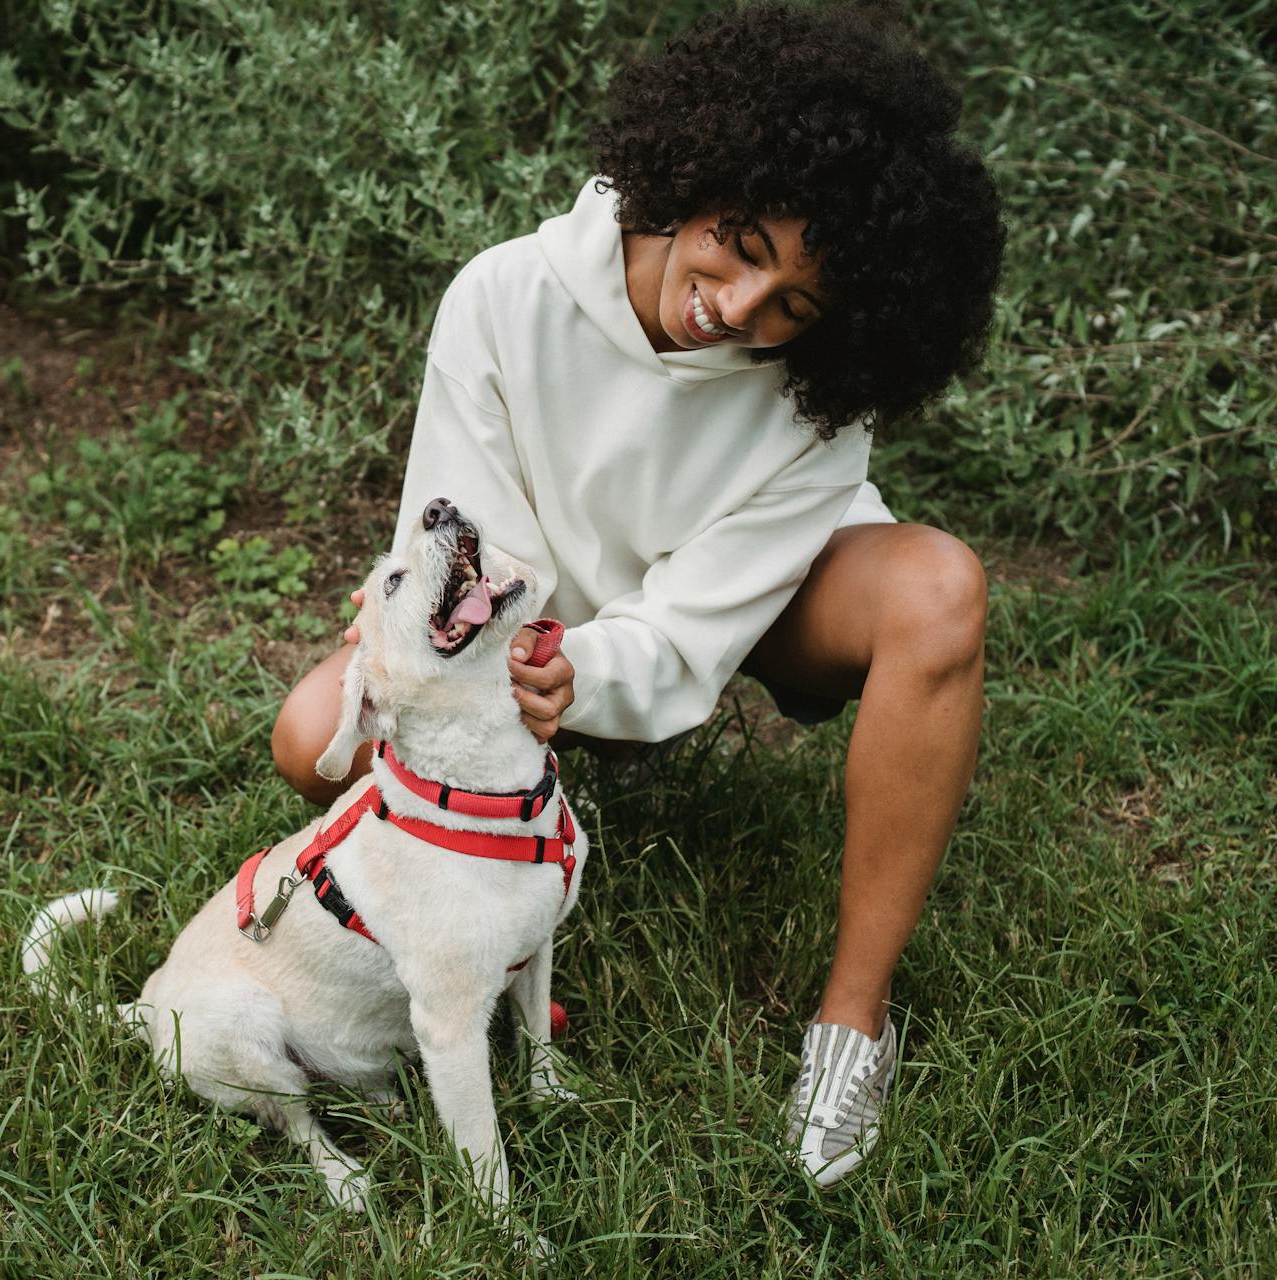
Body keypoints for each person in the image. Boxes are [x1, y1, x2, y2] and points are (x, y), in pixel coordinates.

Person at [271, 3, 1004, 1188]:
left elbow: (701, 619)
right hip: (526, 634)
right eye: (741, 244)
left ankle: (849, 1026)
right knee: (312, 741)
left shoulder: (813, 393)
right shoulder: (505, 297)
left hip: (731, 617)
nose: (743, 309)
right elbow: (463, 552)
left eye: (797, 307)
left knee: (938, 587)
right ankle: (535, 804)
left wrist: (598, 676)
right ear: (702, 174)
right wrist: (534, 677)